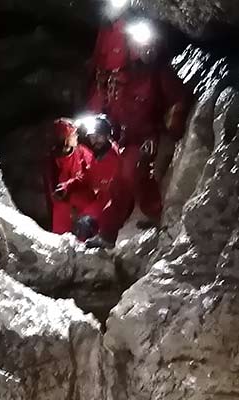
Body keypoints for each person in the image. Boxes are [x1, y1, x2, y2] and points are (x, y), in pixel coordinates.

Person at [106, 19, 189, 221]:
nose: (143, 50)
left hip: (149, 135)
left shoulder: (161, 73)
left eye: (147, 45)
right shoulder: (125, 74)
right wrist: (111, 125)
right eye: (139, 45)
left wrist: (175, 118)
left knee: (135, 172)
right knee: (118, 177)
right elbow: (117, 107)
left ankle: (152, 216)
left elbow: (178, 97)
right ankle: (114, 228)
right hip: (127, 135)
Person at [76, 115, 133, 247]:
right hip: (101, 200)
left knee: (85, 224)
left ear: (107, 136)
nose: (95, 140)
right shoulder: (99, 154)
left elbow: (113, 195)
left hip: (111, 205)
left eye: (99, 136)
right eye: (92, 137)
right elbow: (89, 177)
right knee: (80, 219)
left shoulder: (113, 159)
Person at [46, 119, 96, 237]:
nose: (77, 136)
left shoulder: (81, 152)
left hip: (84, 203)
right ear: (65, 139)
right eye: (73, 134)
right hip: (63, 209)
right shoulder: (52, 162)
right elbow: (52, 191)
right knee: (62, 239)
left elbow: (92, 173)